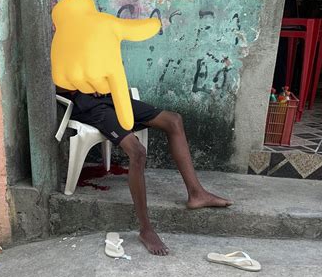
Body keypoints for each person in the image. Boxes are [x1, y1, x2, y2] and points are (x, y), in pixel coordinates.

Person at [57, 88, 232, 256]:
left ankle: (196, 193)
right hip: (87, 105)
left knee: (173, 120)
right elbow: (53, 82)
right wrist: (80, 85)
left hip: (111, 97)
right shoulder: (57, 56)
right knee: (138, 152)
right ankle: (146, 230)